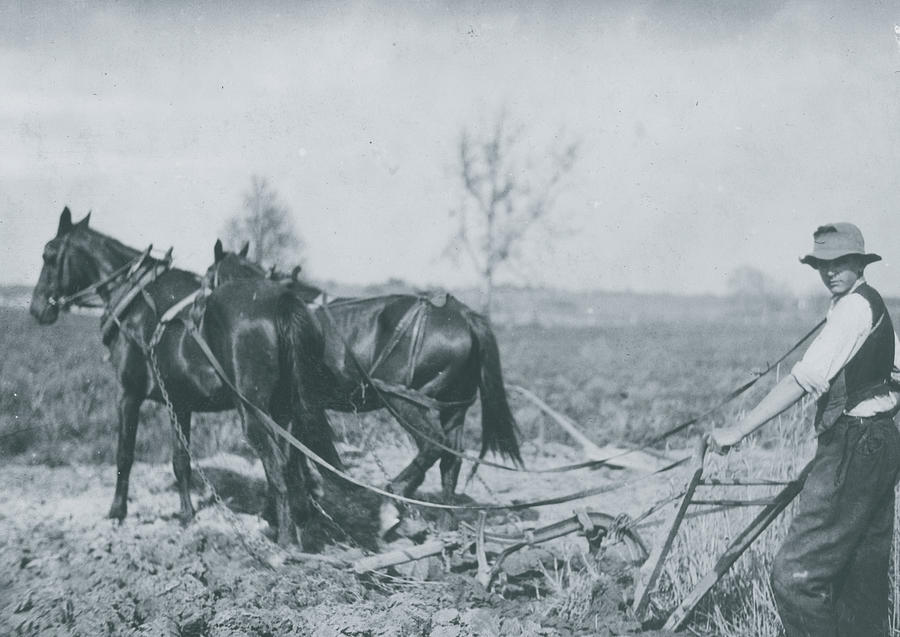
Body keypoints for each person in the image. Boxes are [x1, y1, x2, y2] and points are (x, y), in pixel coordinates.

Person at [707, 222, 900, 637]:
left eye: (840, 262)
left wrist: (737, 431)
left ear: (860, 263)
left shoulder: (851, 310)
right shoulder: (872, 305)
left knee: (795, 577)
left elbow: (803, 379)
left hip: (854, 445)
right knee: (860, 582)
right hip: (880, 444)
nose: (830, 272)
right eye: (821, 264)